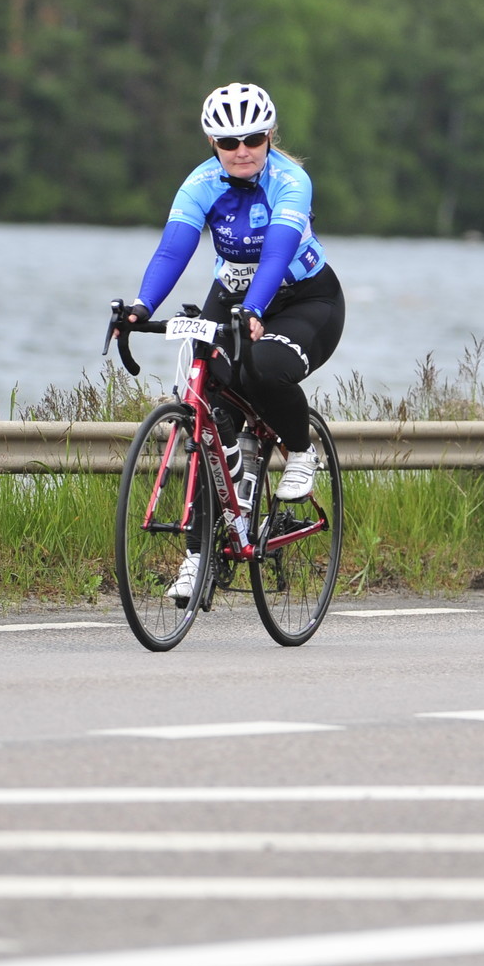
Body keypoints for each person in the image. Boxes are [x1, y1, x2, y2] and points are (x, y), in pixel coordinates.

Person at [114, 83, 346, 599]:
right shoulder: (199, 184)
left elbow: (277, 253)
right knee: (206, 409)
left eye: (253, 138)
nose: (242, 150)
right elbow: (173, 250)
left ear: (269, 137)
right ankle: (200, 554)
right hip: (232, 295)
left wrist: (256, 311)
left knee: (262, 368)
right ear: (212, 144)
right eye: (228, 142)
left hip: (305, 300)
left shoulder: (291, 181)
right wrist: (141, 308)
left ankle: (300, 451)